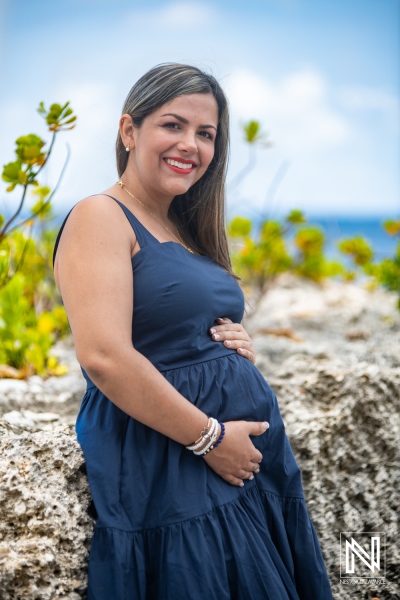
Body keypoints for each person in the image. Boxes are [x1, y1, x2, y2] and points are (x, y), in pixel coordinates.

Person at [52, 63, 333, 600]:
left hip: (238, 461)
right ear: (129, 130)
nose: (191, 145)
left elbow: (175, 324)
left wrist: (230, 345)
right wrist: (209, 438)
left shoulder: (183, 225)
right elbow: (105, 355)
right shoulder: (100, 215)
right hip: (171, 455)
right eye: (173, 125)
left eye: (206, 134)